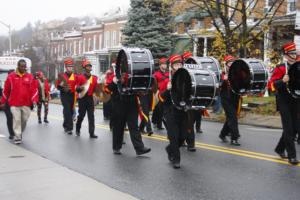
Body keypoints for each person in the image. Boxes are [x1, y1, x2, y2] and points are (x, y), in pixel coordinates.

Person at [105, 70, 151, 155]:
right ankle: (116, 147)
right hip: (119, 103)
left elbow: (138, 90)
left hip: (132, 103)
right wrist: (114, 82)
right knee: (118, 126)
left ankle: (139, 148)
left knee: (134, 127)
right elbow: (107, 90)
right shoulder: (114, 75)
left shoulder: (133, 74)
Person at [269, 42, 299, 165]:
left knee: (295, 128)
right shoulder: (280, 68)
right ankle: (292, 156)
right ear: (286, 55)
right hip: (283, 101)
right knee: (288, 129)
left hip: (296, 100)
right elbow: (271, 86)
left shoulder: (298, 66)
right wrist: (282, 80)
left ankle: (280, 148)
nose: (294, 54)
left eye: (295, 52)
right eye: (292, 53)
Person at [160, 54, 188, 169]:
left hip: (182, 111)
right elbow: (161, 98)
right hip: (170, 112)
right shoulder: (167, 80)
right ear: (171, 67)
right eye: (176, 65)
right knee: (174, 137)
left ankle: (169, 148)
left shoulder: (186, 79)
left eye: (180, 64)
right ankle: (176, 160)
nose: (179, 66)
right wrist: (167, 89)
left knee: (183, 136)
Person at [0, 59, 38, 144]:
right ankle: (17, 137)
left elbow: (34, 90)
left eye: (25, 66)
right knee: (16, 120)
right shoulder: (11, 77)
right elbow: (6, 91)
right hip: (14, 103)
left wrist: (34, 100)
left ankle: (19, 132)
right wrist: (2, 101)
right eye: (22, 66)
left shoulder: (30, 77)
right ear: (18, 66)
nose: (24, 68)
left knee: (24, 120)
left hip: (26, 103)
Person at [219, 55, 241, 146]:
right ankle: (234, 137)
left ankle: (223, 134)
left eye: (233, 63)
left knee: (231, 117)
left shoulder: (237, 73)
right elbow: (217, 86)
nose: (231, 64)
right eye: (229, 63)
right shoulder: (222, 73)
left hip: (235, 97)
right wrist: (223, 80)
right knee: (233, 117)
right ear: (226, 64)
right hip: (225, 98)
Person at [75, 59, 98, 139]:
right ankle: (78, 129)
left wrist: (96, 97)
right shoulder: (80, 77)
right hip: (82, 99)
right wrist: (80, 88)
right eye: (88, 66)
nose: (90, 67)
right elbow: (76, 88)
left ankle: (92, 133)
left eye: (90, 66)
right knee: (81, 115)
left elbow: (95, 90)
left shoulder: (94, 78)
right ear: (85, 67)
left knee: (91, 116)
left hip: (90, 99)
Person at [56, 57, 77, 135]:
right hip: (64, 95)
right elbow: (58, 86)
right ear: (66, 67)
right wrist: (62, 86)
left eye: (71, 66)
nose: (70, 68)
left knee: (70, 111)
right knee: (67, 110)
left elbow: (78, 85)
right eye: (69, 66)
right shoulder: (62, 75)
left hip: (72, 95)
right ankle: (69, 128)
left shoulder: (75, 76)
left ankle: (65, 125)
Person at [152, 57, 169, 130]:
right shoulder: (156, 74)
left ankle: (159, 124)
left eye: (165, 64)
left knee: (162, 109)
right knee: (157, 108)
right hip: (158, 92)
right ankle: (155, 122)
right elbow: (154, 84)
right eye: (163, 64)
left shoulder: (169, 73)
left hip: (166, 92)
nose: (165, 66)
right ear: (160, 65)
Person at [0, 70, 15, 139]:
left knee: (16, 118)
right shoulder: (7, 81)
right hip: (7, 103)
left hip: (16, 103)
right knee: (9, 118)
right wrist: (2, 102)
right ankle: (11, 133)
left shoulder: (17, 82)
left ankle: (17, 132)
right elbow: (3, 92)